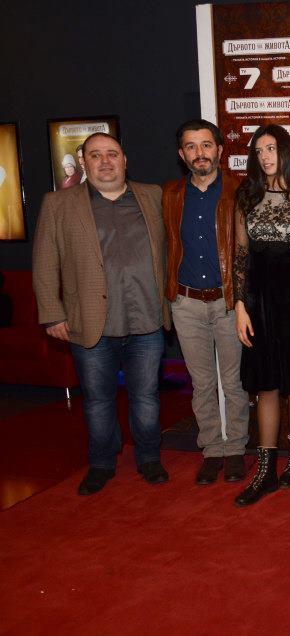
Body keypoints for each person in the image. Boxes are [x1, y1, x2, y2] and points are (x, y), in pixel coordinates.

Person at [33, 132, 171, 495]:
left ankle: (149, 458)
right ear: (84, 162)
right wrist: (52, 314)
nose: (105, 161)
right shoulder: (58, 204)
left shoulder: (153, 196)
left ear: (125, 159)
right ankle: (101, 463)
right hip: (90, 322)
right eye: (96, 155)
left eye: (112, 154)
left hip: (147, 319)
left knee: (146, 397)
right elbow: (45, 262)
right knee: (97, 401)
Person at [232, 124, 290, 507]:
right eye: (259, 151)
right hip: (258, 303)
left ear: (285, 151)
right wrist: (240, 306)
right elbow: (241, 257)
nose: (265, 157)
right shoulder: (246, 197)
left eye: (271, 148)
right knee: (265, 384)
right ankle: (266, 469)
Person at [161, 119, 249, 485]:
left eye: (206, 145)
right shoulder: (170, 195)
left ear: (220, 150)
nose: (200, 153)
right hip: (186, 303)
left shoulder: (240, 191)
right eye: (191, 146)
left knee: (234, 382)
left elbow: (254, 247)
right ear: (182, 155)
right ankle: (212, 449)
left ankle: (236, 449)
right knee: (201, 384)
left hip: (228, 303)